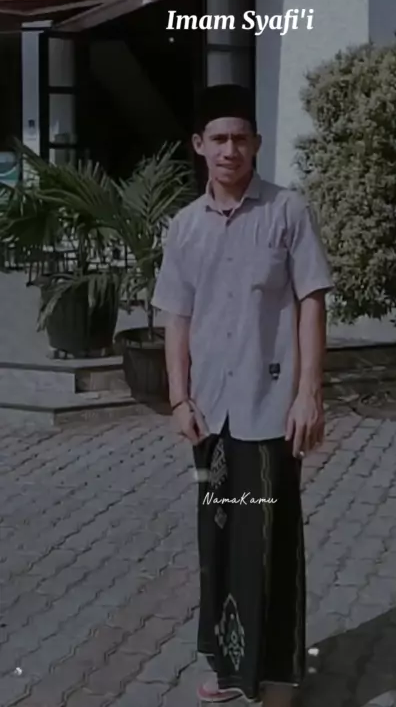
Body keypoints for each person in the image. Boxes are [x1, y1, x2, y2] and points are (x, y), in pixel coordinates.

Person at [151, 84, 333, 706]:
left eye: (240, 138)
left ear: (255, 143)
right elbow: (177, 318)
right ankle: (230, 666)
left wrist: (309, 393)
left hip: (269, 410)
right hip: (211, 416)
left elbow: (312, 302)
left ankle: (276, 673)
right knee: (220, 541)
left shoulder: (287, 212)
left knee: (269, 542)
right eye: (218, 139)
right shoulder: (184, 227)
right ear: (199, 146)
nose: (230, 149)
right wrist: (179, 399)